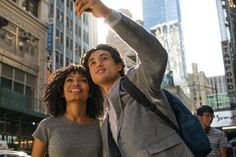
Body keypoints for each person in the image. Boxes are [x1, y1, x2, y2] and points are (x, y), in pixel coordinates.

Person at [75, 0, 194, 156]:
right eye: (92, 62)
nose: (98, 64)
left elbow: (156, 56)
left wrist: (107, 13)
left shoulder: (138, 81)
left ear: (119, 65)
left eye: (104, 58)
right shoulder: (104, 116)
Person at [31, 64, 103, 157]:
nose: (75, 83)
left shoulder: (101, 127)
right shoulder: (46, 126)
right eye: (70, 80)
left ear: (90, 92)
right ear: (62, 93)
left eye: (83, 80)